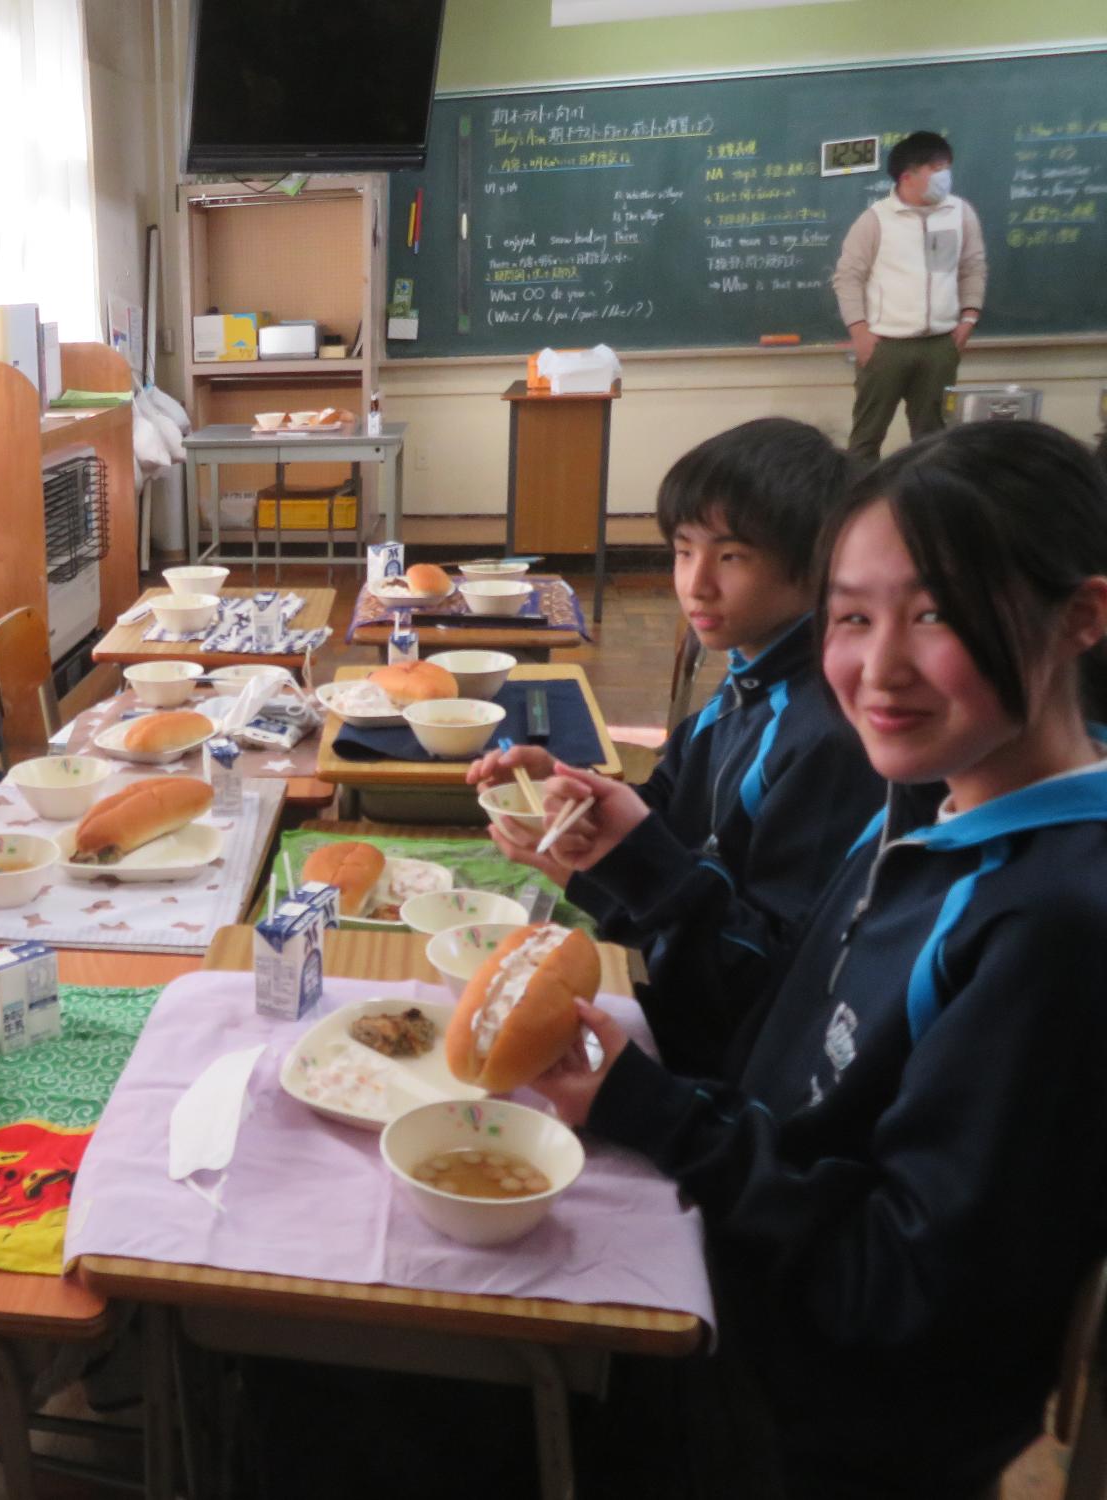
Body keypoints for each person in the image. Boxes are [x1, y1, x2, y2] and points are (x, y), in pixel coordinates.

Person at [536, 421, 1107, 1499]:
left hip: (798, 1416)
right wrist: (653, 1098)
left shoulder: (1052, 925)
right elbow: (782, 1043)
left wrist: (659, 1118)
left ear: (1080, 617)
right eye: (851, 617)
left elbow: (900, 1295)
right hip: (729, 1270)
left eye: (934, 613)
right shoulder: (923, 802)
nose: (876, 669)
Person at [468, 418, 887, 1077]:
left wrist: (615, 865)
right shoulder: (751, 675)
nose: (696, 584)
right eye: (684, 551)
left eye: (732, 556)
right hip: (671, 991)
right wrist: (568, 787)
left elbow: (767, 973)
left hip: (716, 1068)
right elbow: (668, 803)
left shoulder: (828, 735)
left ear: (817, 566)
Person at [833, 129, 987, 467]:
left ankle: (927, 497)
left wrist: (969, 317)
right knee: (866, 437)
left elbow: (973, 267)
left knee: (934, 440)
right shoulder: (876, 219)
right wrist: (859, 331)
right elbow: (848, 277)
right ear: (908, 176)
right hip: (885, 345)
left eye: (946, 167)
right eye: (936, 169)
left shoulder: (960, 213)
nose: (945, 176)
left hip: (940, 344)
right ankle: (857, 496)